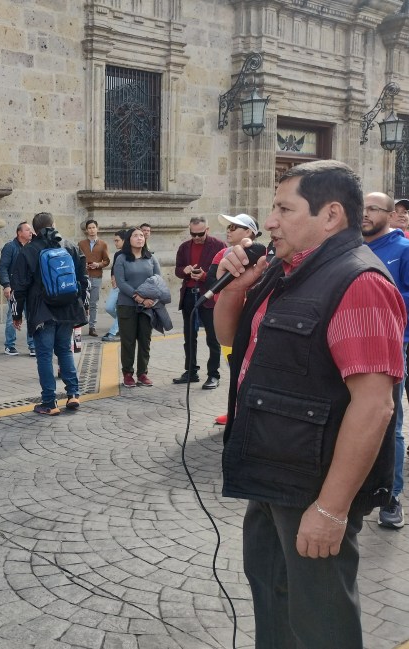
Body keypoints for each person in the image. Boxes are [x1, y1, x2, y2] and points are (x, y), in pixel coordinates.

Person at [215, 160, 405, 648]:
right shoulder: (284, 269)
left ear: (331, 215)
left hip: (314, 489)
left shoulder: (360, 283)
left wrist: (332, 509)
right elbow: (229, 339)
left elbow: (374, 406)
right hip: (272, 474)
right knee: (273, 599)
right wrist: (236, 285)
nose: (270, 220)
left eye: (284, 208)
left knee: (321, 622)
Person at [11, 211, 88, 415]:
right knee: (64, 350)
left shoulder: (28, 251)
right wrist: (83, 305)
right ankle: (73, 394)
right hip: (67, 308)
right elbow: (83, 278)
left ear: (34, 230)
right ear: (54, 224)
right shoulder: (69, 245)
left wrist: (16, 314)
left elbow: (18, 287)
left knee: (44, 356)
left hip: (41, 311)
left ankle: (49, 403)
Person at [362, 192, 409, 529]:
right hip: (351, 347)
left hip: (391, 349)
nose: (364, 214)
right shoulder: (354, 248)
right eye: (360, 208)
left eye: (372, 209)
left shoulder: (404, 250)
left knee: (390, 424)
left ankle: (391, 497)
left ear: (391, 216)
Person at [207, 213, 260, 426]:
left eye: (234, 227)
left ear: (249, 232)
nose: (229, 231)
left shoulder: (262, 255)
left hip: (250, 321)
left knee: (251, 372)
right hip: (227, 320)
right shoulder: (221, 254)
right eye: (228, 227)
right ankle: (235, 411)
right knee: (235, 370)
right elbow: (211, 281)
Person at [173, 216, 226, 388]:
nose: (196, 237)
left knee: (213, 338)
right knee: (189, 337)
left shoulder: (219, 246)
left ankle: (213, 375)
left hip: (209, 296)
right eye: (192, 234)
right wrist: (185, 270)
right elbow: (177, 270)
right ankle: (191, 371)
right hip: (189, 294)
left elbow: (223, 275)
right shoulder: (184, 247)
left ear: (207, 230)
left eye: (200, 234)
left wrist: (204, 276)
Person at [113, 227, 161, 387]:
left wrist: (149, 299)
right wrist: (139, 297)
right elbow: (121, 282)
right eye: (135, 236)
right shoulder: (121, 259)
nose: (140, 238)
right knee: (128, 341)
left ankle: (142, 373)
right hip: (127, 305)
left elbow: (157, 280)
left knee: (145, 340)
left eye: (142, 235)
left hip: (148, 306)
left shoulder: (151, 258)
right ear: (129, 240)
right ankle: (127, 373)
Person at [0, 221, 35, 356]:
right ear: (19, 233)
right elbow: (3, 267)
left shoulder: (32, 247)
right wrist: (6, 285)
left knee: (31, 316)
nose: (30, 232)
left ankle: (33, 345)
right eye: (27, 230)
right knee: (12, 316)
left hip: (29, 288)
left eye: (31, 230)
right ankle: (10, 345)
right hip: (15, 288)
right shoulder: (10, 247)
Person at [78, 219, 110, 337]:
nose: (91, 230)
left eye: (93, 227)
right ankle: (79, 326)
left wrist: (98, 264)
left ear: (97, 229)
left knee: (93, 303)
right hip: (84, 276)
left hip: (96, 276)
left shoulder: (103, 244)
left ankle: (92, 327)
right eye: (89, 228)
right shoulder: (81, 244)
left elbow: (107, 261)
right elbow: (78, 258)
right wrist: (83, 265)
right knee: (81, 301)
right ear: (86, 230)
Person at [101, 229, 127, 341]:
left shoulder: (131, 254)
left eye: (117, 241)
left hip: (126, 286)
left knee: (121, 309)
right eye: (114, 241)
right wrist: (113, 278)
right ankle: (125, 323)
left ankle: (112, 332)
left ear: (124, 240)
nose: (115, 243)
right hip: (116, 286)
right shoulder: (117, 254)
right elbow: (114, 267)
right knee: (109, 307)